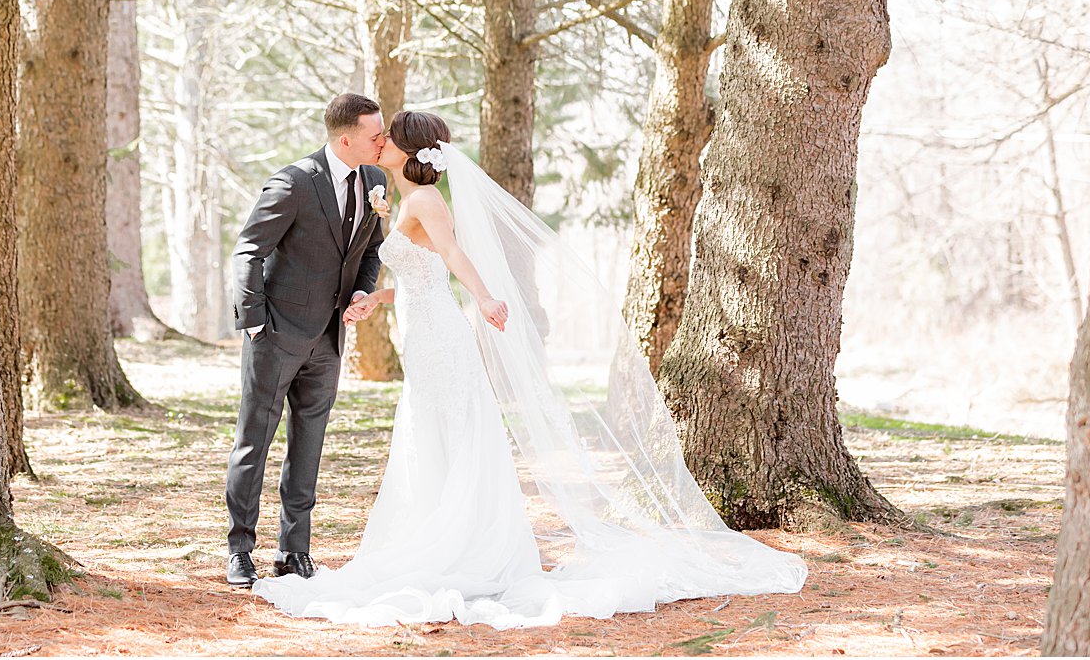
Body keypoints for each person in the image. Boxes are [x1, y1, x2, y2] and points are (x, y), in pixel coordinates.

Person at [251, 110, 809, 628]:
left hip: (442, 338)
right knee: (431, 434)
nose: (382, 141)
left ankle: (457, 543)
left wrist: (488, 298)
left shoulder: (424, 201)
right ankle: (436, 529)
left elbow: (452, 259)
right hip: (423, 331)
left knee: (448, 431)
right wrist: (380, 298)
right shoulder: (403, 198)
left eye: (390, 136)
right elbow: (423, 273)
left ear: (410, 150)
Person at [223, 94, 387, 588]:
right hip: (275, 336)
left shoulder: (376, 182)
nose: (384, 141)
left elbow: (370, 251)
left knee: (308, 447)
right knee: (254, 443)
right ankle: (240, 550)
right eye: (375, 134)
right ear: (346, 138)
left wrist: (362, 290)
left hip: (330, 339)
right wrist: (254, 323)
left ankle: (295, 551)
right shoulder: (294, 182)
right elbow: (248, 250)